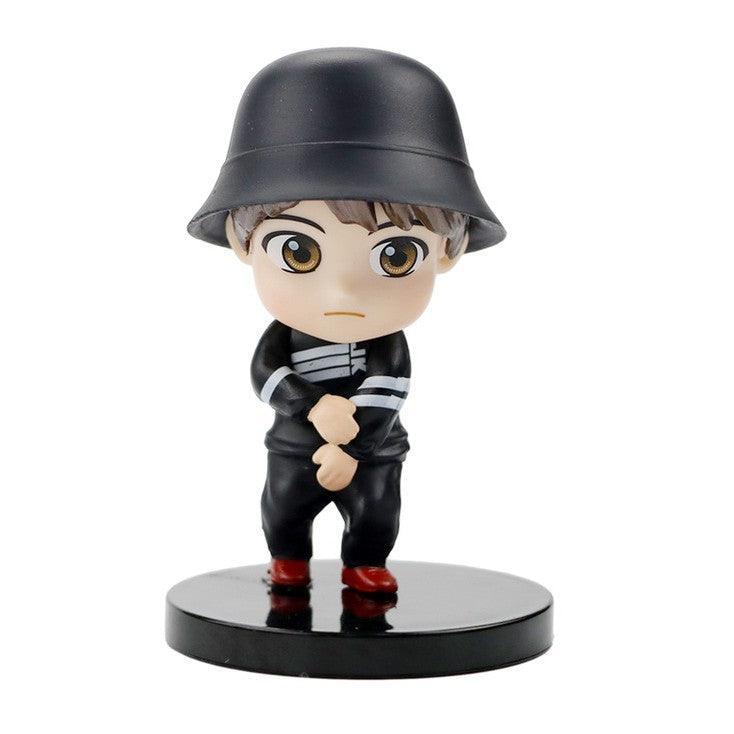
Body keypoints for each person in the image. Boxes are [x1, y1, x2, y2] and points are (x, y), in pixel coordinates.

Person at [187, 49, 506, 593]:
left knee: (375, 513)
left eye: (395, 255)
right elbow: (266, 374)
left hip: (373, 450)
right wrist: (313, 408)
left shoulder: (387, 346)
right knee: (284, 509)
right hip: (295, 443)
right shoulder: (284, 338)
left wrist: (351, 449)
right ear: (245, 243)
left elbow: (389, 388)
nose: (342, 292)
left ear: (447, 251)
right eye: (298, 252)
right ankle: (288, 561)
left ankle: (366, 564)